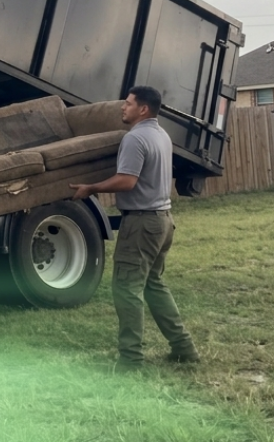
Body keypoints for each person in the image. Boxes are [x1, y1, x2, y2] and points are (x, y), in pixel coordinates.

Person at [69, 86, 199, 372]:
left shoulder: (135, 138)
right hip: (163, 220)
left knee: (126, 289)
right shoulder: (161, 135)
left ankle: (130, 360)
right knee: (154, 285)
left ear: (143, 109)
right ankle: (184, 348)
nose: (122, 108)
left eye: (127, 104)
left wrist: (92, 187)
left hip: (141, 223)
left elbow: (127, 181)